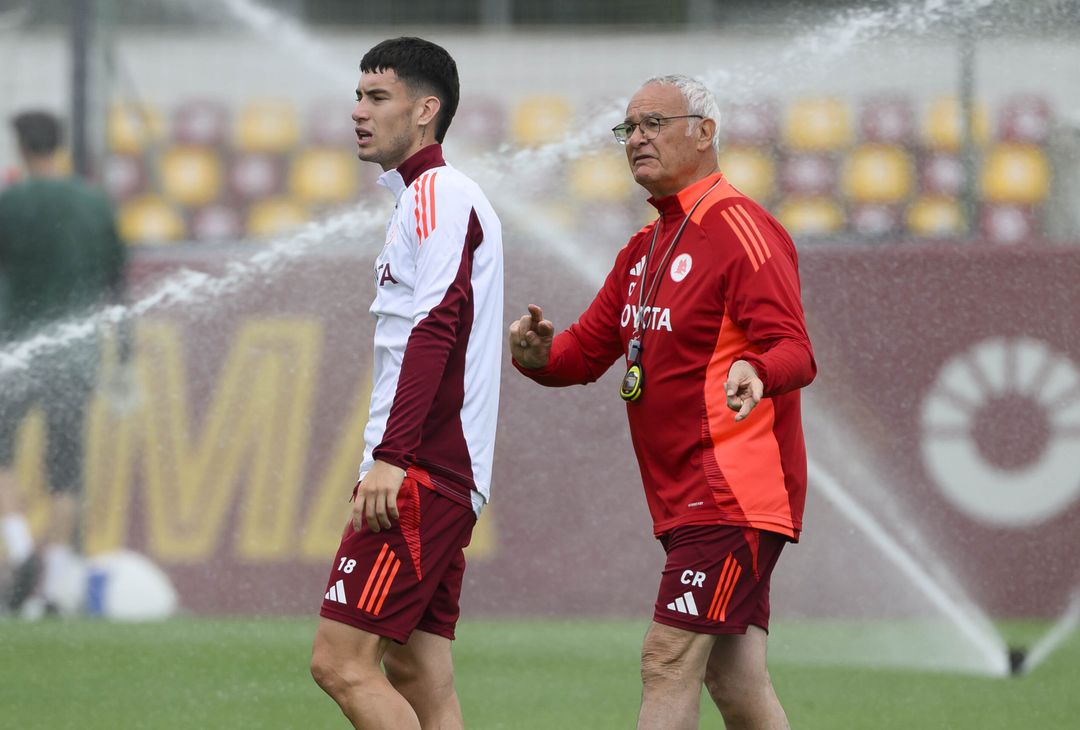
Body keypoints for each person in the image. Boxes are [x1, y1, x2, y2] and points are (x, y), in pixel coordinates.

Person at [510, 75, 815, 729]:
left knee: (667, 660)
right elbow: (584, 355)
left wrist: (758, 372)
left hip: (734, 489)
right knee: (737, 682)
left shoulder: (742, 228)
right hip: (687, 497)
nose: (636, 140)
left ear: (705, 132)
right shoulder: (643, 250)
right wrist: (536, 356)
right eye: (629, 128)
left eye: (653, 123)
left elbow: (795, 350)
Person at [309, 37, 503, 730]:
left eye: (377, 97)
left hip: (422, 469)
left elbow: (434, 325)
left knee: (340, 663)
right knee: (417, 672)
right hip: (437, 469)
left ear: (426, 110)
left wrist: (393, 458)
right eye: (358, 97)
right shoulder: (419, 200)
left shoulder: (438, 194)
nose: (358, 111)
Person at [0, 110, 128, 615]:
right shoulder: (94, 205)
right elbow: (117, 284)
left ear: (20, 147)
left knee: (3, 457)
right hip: (78, 357)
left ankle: (19, 549)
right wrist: (124, 355)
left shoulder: (11, 204)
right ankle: (49, 588)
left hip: (15, 350)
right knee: (66, 471)